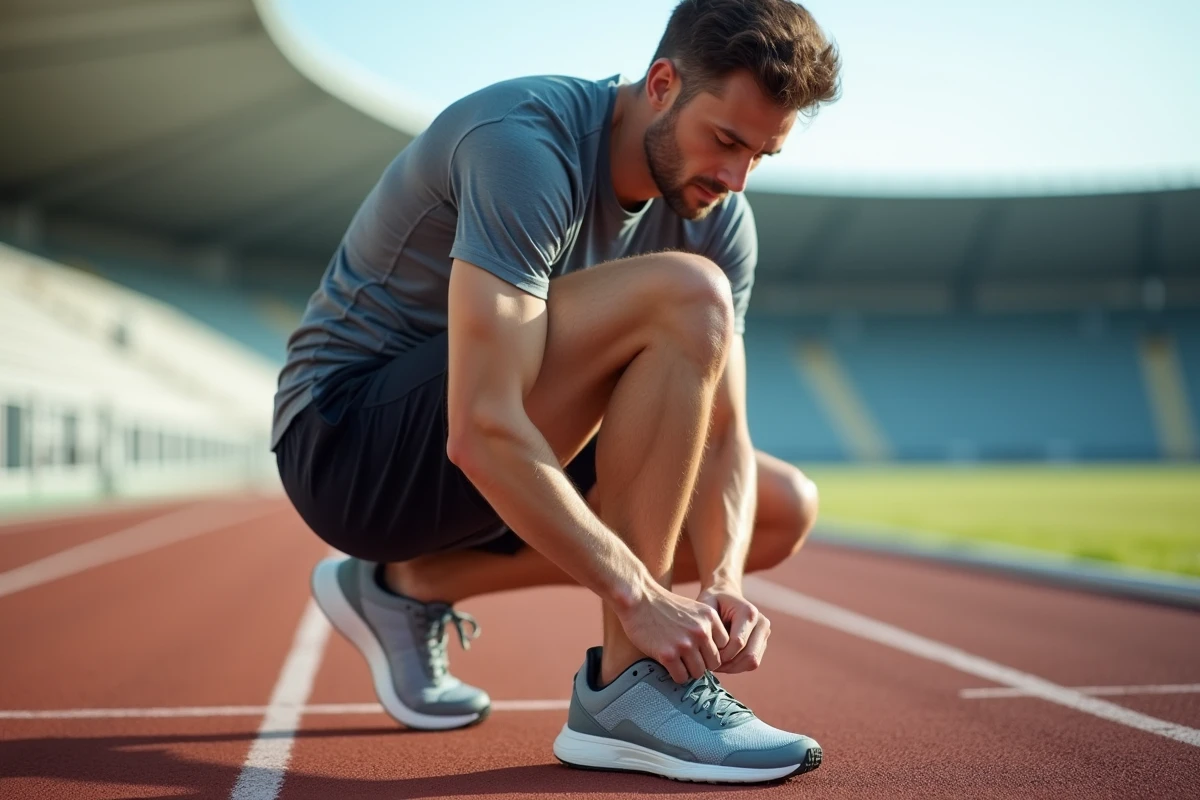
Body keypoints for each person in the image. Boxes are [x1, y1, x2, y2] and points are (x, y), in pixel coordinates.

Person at [272, 0, 839, 784]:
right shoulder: (524, 144)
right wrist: (641, 595)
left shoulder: (716, 216)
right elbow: (480, 427)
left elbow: (725, 438)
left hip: (501, 441)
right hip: (347, 448)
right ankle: (631, 687)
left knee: (778, 510)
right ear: (665, 83)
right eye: (727, 141)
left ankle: (408, 588)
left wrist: (720, 584)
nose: (736, 178)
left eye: (762, 156)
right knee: (688, 294)